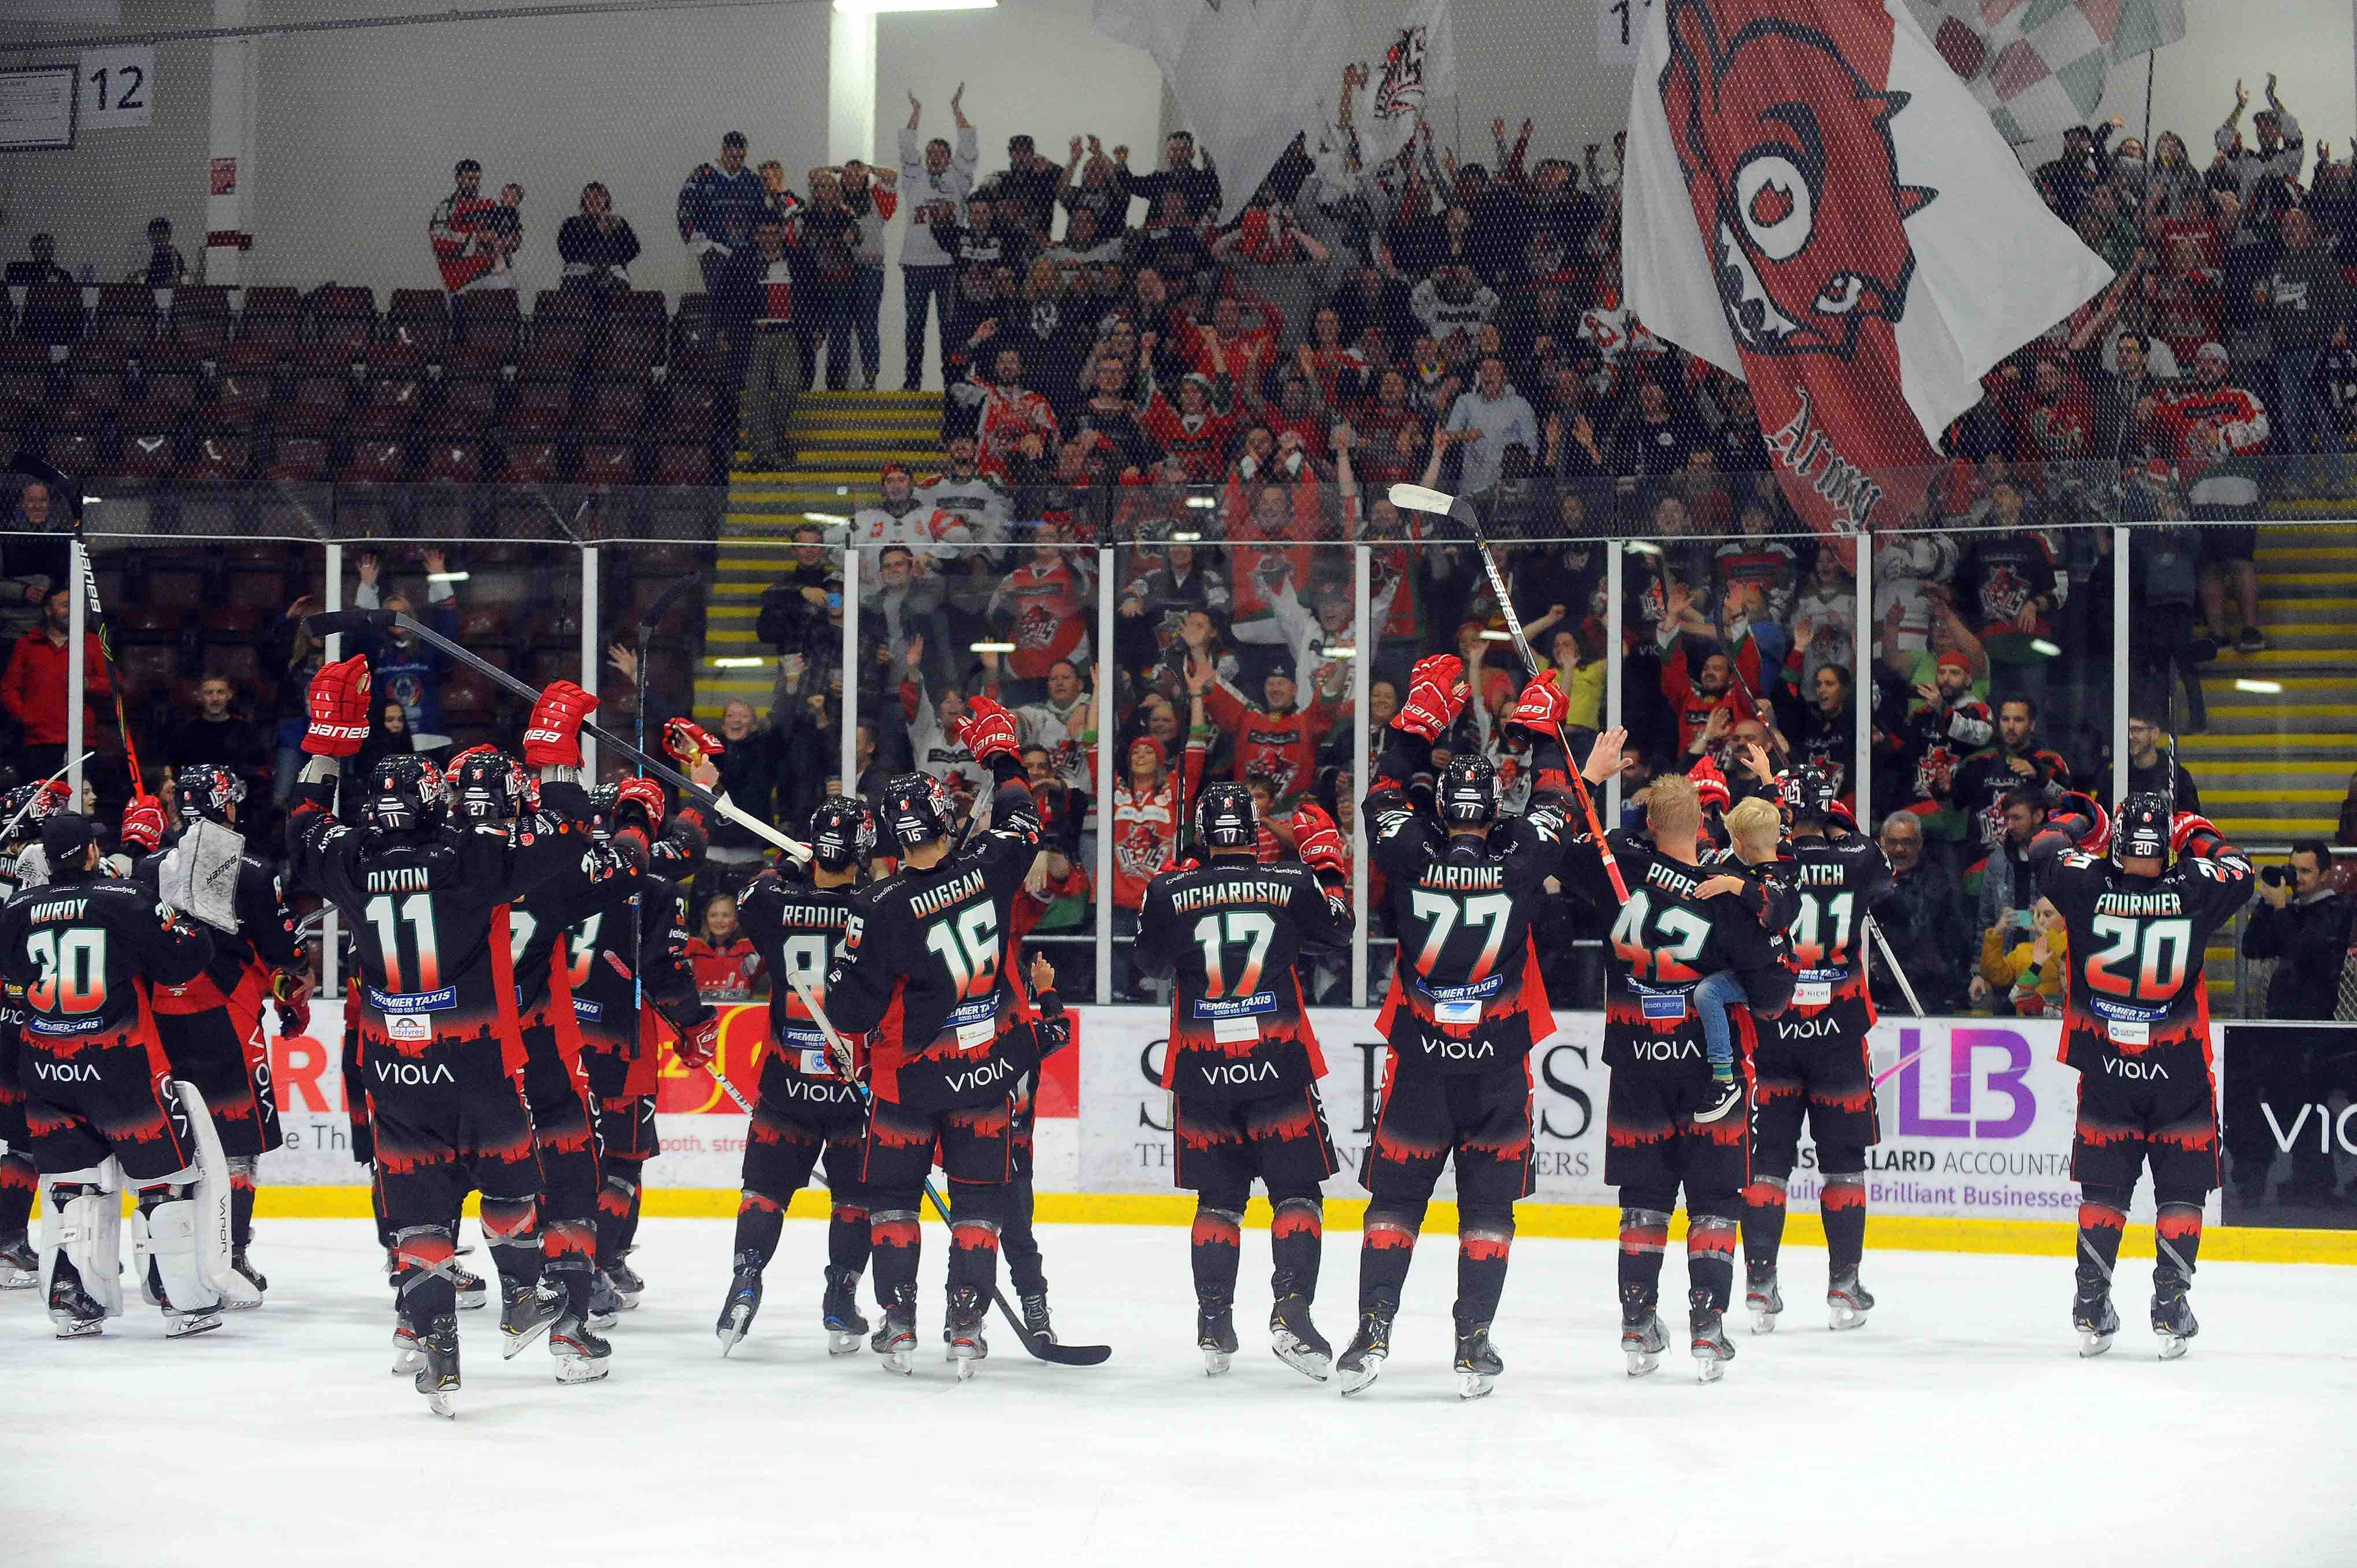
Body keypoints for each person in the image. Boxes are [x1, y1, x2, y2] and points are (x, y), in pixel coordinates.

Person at [286, 658, 631, 1409]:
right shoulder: (468, 860)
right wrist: (553, 753)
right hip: (479, 1061)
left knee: (418, 1213)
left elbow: (303, 827)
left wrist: (327, 746)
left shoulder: (348, 860)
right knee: (514, 1185)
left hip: (396, 1070)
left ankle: (433, 1344)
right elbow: (566, 836)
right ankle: (522, 1300)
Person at [1344, 657, 1622, 1398]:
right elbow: (1560, 803)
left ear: (1438, 807)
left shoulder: (1407, 848)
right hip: (1497, 1069)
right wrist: (1540, 729)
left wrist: (1413, 725)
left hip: (1421, 1065)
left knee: (1396, 1203)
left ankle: (1371, 1334)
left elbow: (1379, 795)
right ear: (1495, 808)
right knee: (1488, 1209)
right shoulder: (1524, 854)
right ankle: (1472, 1344)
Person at [821, 698, 1040, 1376]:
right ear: (945, 818)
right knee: (978, 1202)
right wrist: (1000, 753)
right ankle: (967, 1326)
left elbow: (851, 1014)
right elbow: (1022, 816)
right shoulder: (993, 863)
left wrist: (846, 954)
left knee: (892, 1202)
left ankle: (900, 1320)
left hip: (910, 1081)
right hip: (986, 1070)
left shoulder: (879, 909)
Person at [1556, 770, 1796, 1382]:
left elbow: (1557, 841)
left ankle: (1637, 1322)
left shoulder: (1620, 875)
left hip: (1636, 1064)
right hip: (1710, 1074)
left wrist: (1589, 779)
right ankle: (1708, 1329)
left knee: (1642, 1201)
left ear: (1651, 824)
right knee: (1715, 1201)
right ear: (1705, 826)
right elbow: (1772, 996)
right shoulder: (1727, 895)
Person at [1134, 780, 1353, 1381]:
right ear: (1254, 829)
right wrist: (1329, 872)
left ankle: (1213, 1321)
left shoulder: (1168, 887)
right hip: (1276, 1060)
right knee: (1298, 1193)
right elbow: (1338, 934)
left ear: (1204, 833)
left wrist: (1171, 896)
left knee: (1218, 1201)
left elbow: (1147, 964)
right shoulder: (1290, 883)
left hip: (1202, 1067)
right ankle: (1291, 1311)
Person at [2038, 795, 2253, 1358]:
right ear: (2166, 848)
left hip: (2107, 1067)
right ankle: (2169, 1306)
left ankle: (2090, 1304)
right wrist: (2196, 829)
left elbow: (2043, 848)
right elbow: (2240, 869)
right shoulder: (2193, 888)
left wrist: (2082, 814)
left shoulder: (2085, 883)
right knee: (2180, 1189)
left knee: (2104, 1190)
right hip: (2177, 1069)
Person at [1, 809, 225, 1338]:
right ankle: (180, 1297)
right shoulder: (124, 899)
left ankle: (71, 1300)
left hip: (44, 1064)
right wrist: (185, 915)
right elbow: (182, 962)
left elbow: (13, 975)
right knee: (163, 1177)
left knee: (70, 1185)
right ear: (90, 852)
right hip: (119, 1063)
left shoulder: (16, 907)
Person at [127, 765, 309, 1301]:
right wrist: (291, 990)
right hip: (228, 1016)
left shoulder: (148, 865)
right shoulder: (251, 869)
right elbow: (284, 954)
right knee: (238, 1145)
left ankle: (169, 1262)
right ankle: (230, 1256)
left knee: (176, 1139)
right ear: (226, 805)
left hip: (163, 1017)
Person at [1734, 765, 1893, 1333]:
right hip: (1839, 1033)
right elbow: (1878, 869)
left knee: (1768, 1162)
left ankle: (1758, 1285)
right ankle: (1844, 1287)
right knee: (1844, 1164)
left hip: (1772, 1028)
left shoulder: (1762, 863)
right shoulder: (1858, 856)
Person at [720, 797, 879, 1356]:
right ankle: (841, 1299)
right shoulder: (876, 907)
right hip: (854, 1085)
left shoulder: (772, 900)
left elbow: (753, 891)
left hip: (785, 1083)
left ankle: (745, 1281)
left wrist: (790, 864)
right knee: (854, 1200)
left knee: (764, 1190)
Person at [2237, 840, 2352, 1202]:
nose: (2298, 878)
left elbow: (2303, 953)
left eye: (2306, 872)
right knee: (2277, 1105)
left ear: (2324, 874)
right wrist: (2265, 906)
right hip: (2278, 1026)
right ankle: (2263, 1182)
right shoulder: (2291, 910)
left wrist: (2284, 909)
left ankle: (2317, 1181)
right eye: (2295, 869)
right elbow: (2252, 947)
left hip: (2314, 1028)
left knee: (2310, 1107)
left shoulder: (2336, 908)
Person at [898, 86, 980, 391]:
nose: (934, 157)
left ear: (948, 158)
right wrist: (916, 112)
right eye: (930, 153)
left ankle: (952, 385)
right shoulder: (913, 178)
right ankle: (912, 383)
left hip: (948, 265)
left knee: (950, 329)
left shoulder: (958, 179)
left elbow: (968, 145)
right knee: (915, 327)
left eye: (940, 153)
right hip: (916, 264)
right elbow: (907, 148)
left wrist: (956, 108)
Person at [1, 587, 112, 787]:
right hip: (38, 743)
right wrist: (25, 716)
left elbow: (114, 685)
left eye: (75, 606)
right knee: (41, 803)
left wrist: (89, 684)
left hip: (82, 741)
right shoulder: (27, 645)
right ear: (48, 610)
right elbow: (9, 689)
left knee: (79, 800)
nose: (71, 611)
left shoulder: (93, 643)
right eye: (65, 606)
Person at [679, 132, 770, 346]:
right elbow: (684, 209)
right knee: (720, 294)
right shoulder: (702, 175)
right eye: (732, 157)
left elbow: (761, 217)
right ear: (723, 152)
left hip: (745, 252)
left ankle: (737, 346)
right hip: (715, 250)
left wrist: (760, 246)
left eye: (741, 158)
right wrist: (697, 241)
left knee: (743, 300)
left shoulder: (752, 180)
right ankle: (710, 344)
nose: (736, 162)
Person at [742, 216, 803, 470]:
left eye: (773, 232)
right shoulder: (744, 261)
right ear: (757, 236)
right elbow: (731, 296)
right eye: (763, 232)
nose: (769, 237)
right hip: (755, 335)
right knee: (755, 392)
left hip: (788, 333)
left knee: (790, 385)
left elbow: (812, 294)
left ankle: (774, 440)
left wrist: (816, 329)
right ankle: (767, 452)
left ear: (782, 235)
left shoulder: (798, 260)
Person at [165, 674, 269, 779]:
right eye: (209, 693)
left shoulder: (246, 732)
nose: (215, 698)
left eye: (221, 692)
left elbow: (261, 771)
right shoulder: (185, 732)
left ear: (229, 695)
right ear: (200, 696)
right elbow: (172, 769)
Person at [557, 182, 641, 294]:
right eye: (589, 196)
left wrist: (617, 232)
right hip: (578, 277)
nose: (593, 200)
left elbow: (633, 250)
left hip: (613, 279)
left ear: (606, 201)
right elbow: (567, 252)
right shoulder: (571, 223)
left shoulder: (618, 223)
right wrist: (597, 230)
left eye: (598, 196)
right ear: (583, 202)